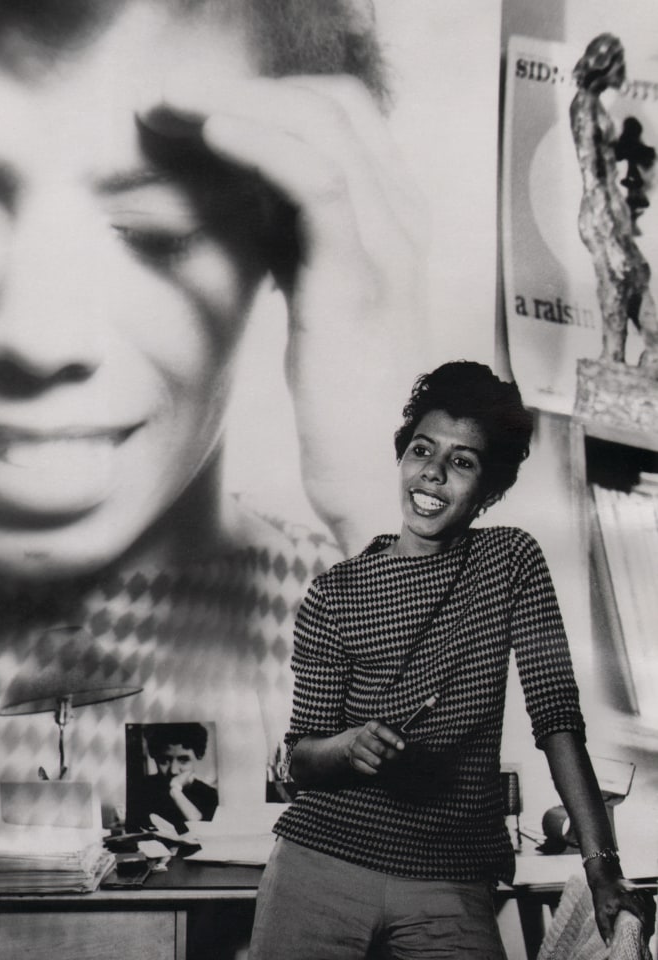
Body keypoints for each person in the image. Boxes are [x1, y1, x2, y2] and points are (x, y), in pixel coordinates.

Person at [0, 2, 422, 956]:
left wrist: (376, 485)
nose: (39, 332)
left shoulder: (339, 608)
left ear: (286, 255)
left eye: (156, 229)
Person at [250, 361, 654, 960]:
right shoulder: (334, 593)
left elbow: (557, 718)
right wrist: (349, 745)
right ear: (402, 456)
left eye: (462, 461)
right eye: (422, 450)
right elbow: (302, 762)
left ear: (489, 490)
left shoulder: (512, 561)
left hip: (452, 875)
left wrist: (602, 866)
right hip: (321, 862)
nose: (434, 472)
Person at [570, 32, 658, 374]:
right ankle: (612, 358)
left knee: (636, 274)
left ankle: (652, 352)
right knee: (616, 280)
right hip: (600, 210)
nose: (622, 70)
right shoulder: (584, 108)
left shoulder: (594, 106)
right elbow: (591, 173)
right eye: (618, 63)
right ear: (604, 65)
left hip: (611, 206)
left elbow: (602, 156)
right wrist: (608, 227)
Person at [129, 723, 219, 834]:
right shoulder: (139, 791)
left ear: (198, 756)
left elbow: (205, 836)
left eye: (184, 760)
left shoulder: (209, 796)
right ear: (154, 756)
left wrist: (175, 792)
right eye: (164, 760)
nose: (173, 770)